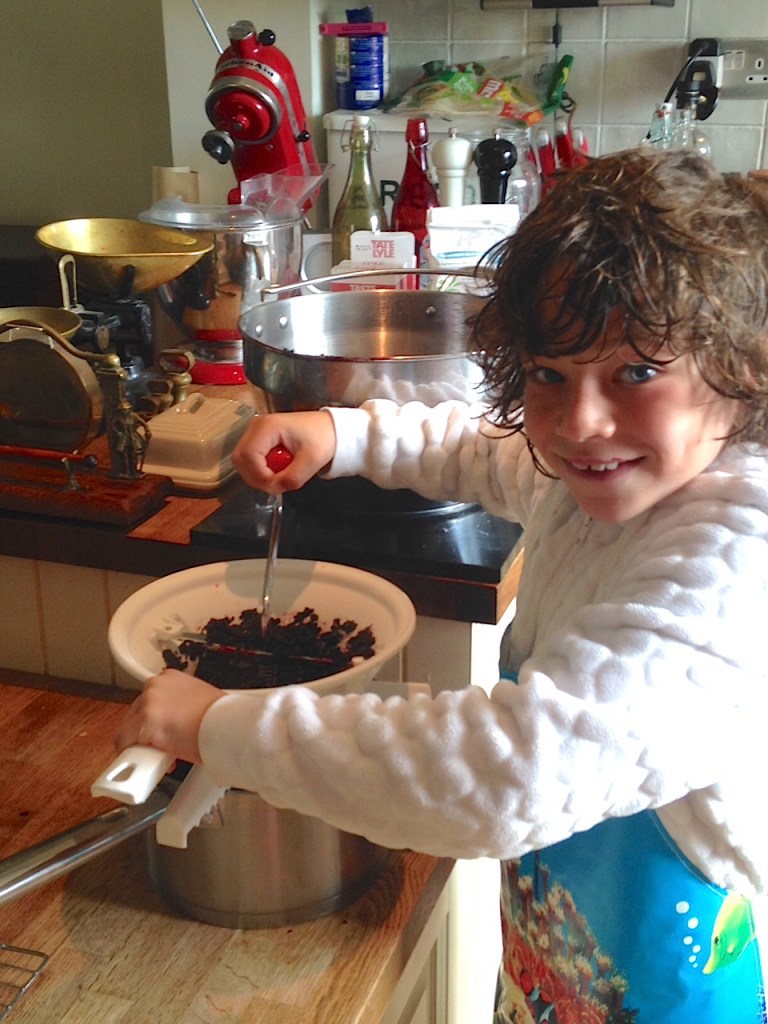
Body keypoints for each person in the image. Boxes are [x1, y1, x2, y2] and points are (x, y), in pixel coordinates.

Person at [116, 148, 768, 1023]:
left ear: (738, 366)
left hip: (671, 988)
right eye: (548, 373)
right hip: (560, 959)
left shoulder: (729, 565)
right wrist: (342, 434)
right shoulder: (626, 471)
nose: (581, 423)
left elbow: (509, 776)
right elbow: (495, 452)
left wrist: (218, 726)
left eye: (636, 372)